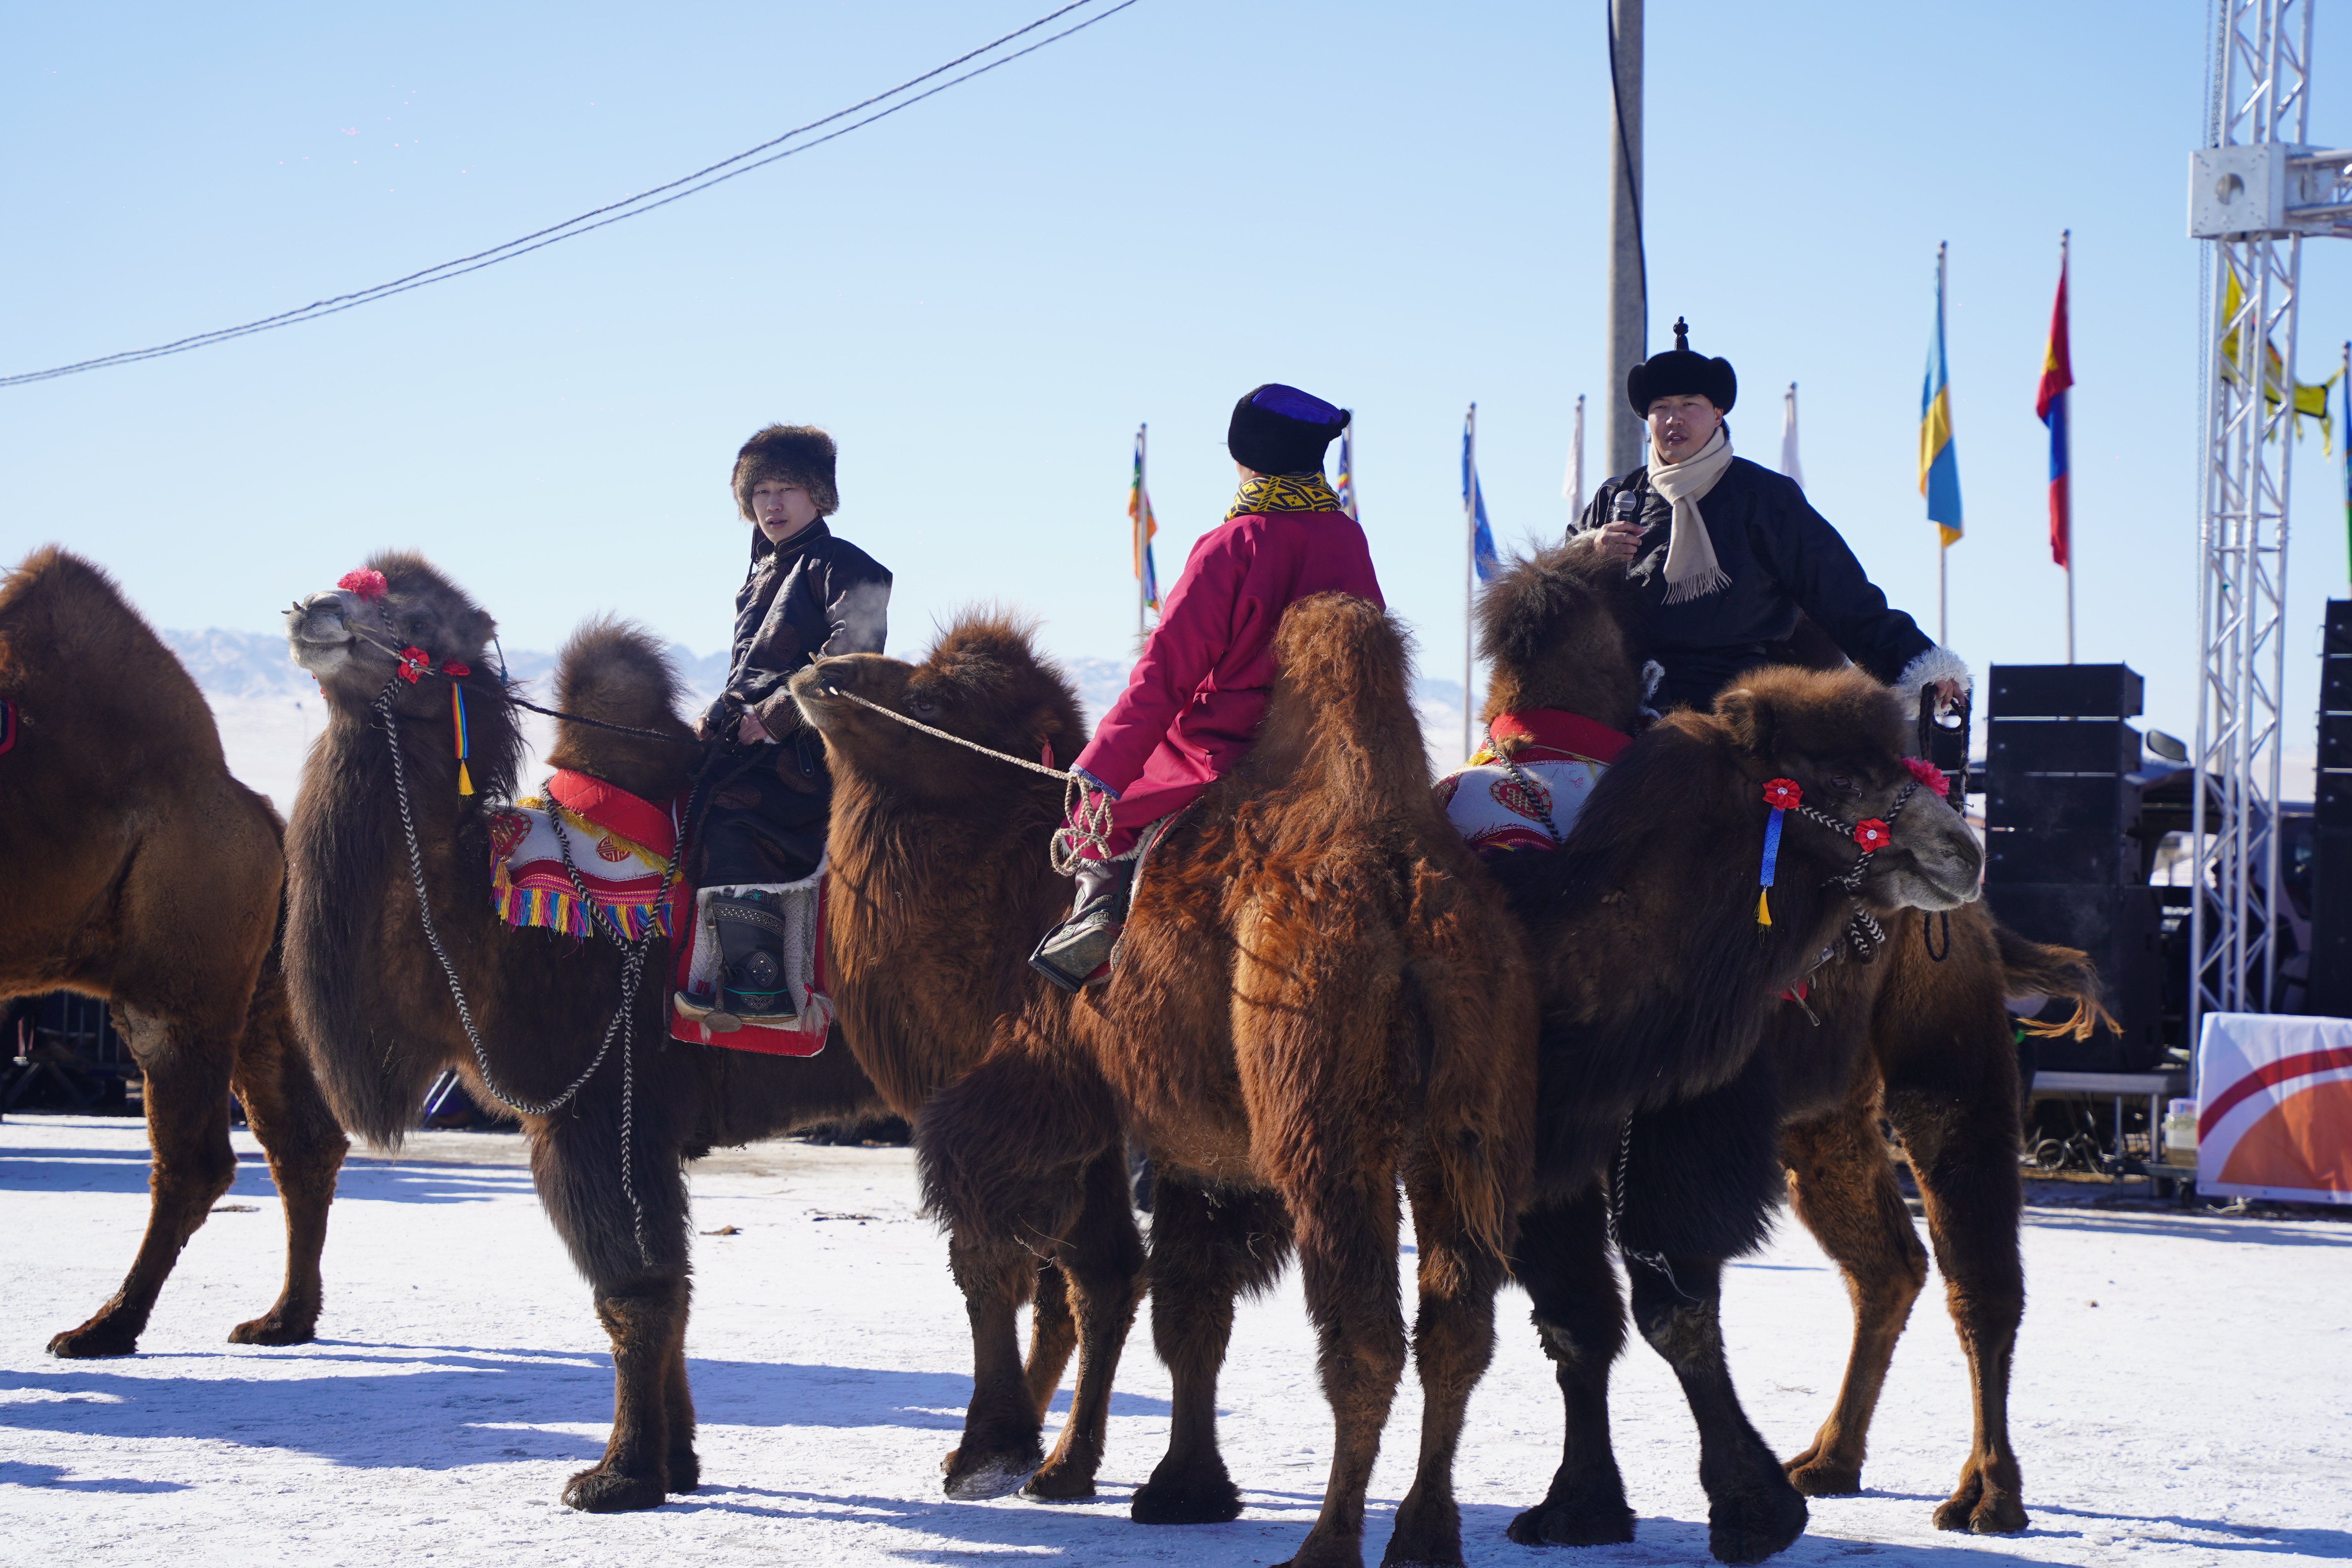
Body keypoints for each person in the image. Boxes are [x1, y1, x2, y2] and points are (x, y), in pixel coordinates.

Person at [1030, 383, 1383, 991]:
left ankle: (1096, 918)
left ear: (1245, 458)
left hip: (1219, 752)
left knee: (1103, 822)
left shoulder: (1232, 544)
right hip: (1323, 756)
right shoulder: (1348, 538)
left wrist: (1100, 772)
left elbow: (1165, 675)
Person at [1572, 318, 1967, 719]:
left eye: (1690, 404)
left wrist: (1920, 664)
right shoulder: (1618, 496)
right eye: (1661, 408)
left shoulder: (1764, 496)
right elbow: (1558, 591)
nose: (1674, 418)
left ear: (1718, 414)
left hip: (1739, 703)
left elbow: (1842, 593)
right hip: (1627, 696)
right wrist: (1591, 552)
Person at [681, 423, 891, 1023]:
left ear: (817, 496)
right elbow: (749, 675)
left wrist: (775, 717)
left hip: (807, 751)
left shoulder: (847, 564)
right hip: (746, 743)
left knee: (734, 814)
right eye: (760, 492)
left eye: (786, 489)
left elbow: (856, 656)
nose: (771, 505)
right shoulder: (760, 574)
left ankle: (762, 986)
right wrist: (715, 718)